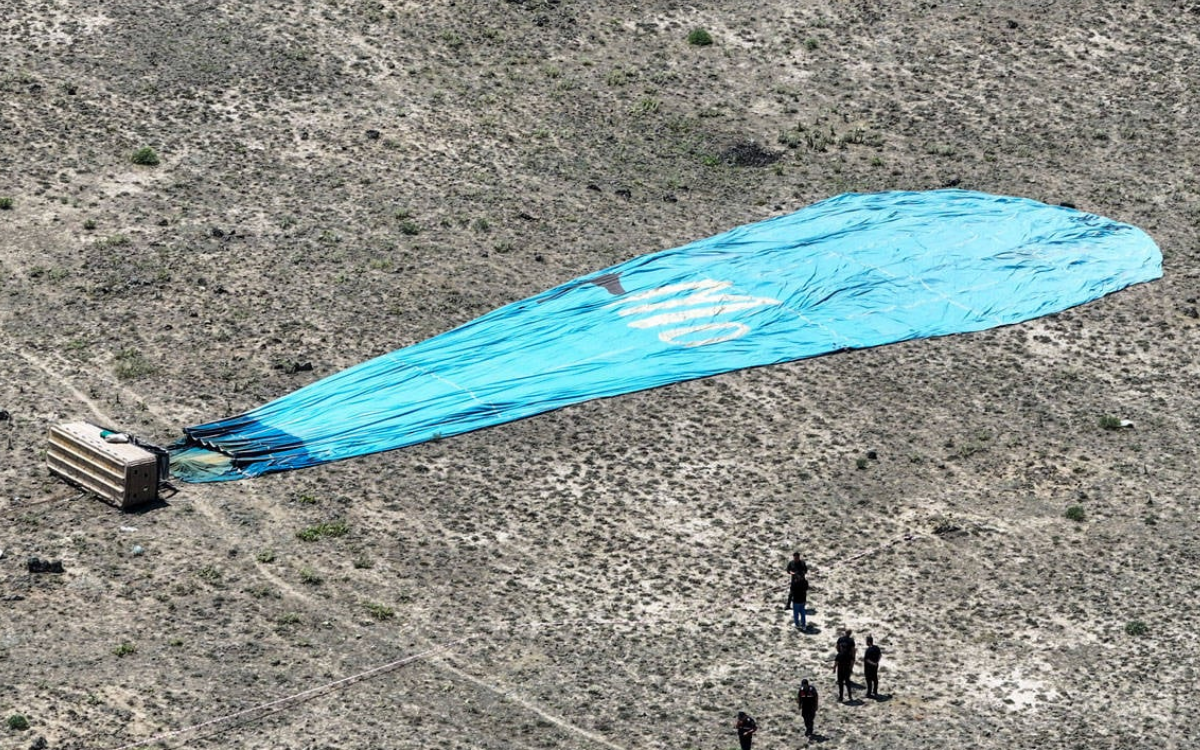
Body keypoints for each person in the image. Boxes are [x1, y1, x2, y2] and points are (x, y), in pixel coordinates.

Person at [833, 628, 856, 701]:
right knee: (847, 681)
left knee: (840, 683)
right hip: (847, 663)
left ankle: (841, 697)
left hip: (840, 666)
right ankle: (850, 696)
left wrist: (834, 668)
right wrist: (851, 667)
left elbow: (836, 662)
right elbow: (853, 651)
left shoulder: (840, 639)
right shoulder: (851, 641)